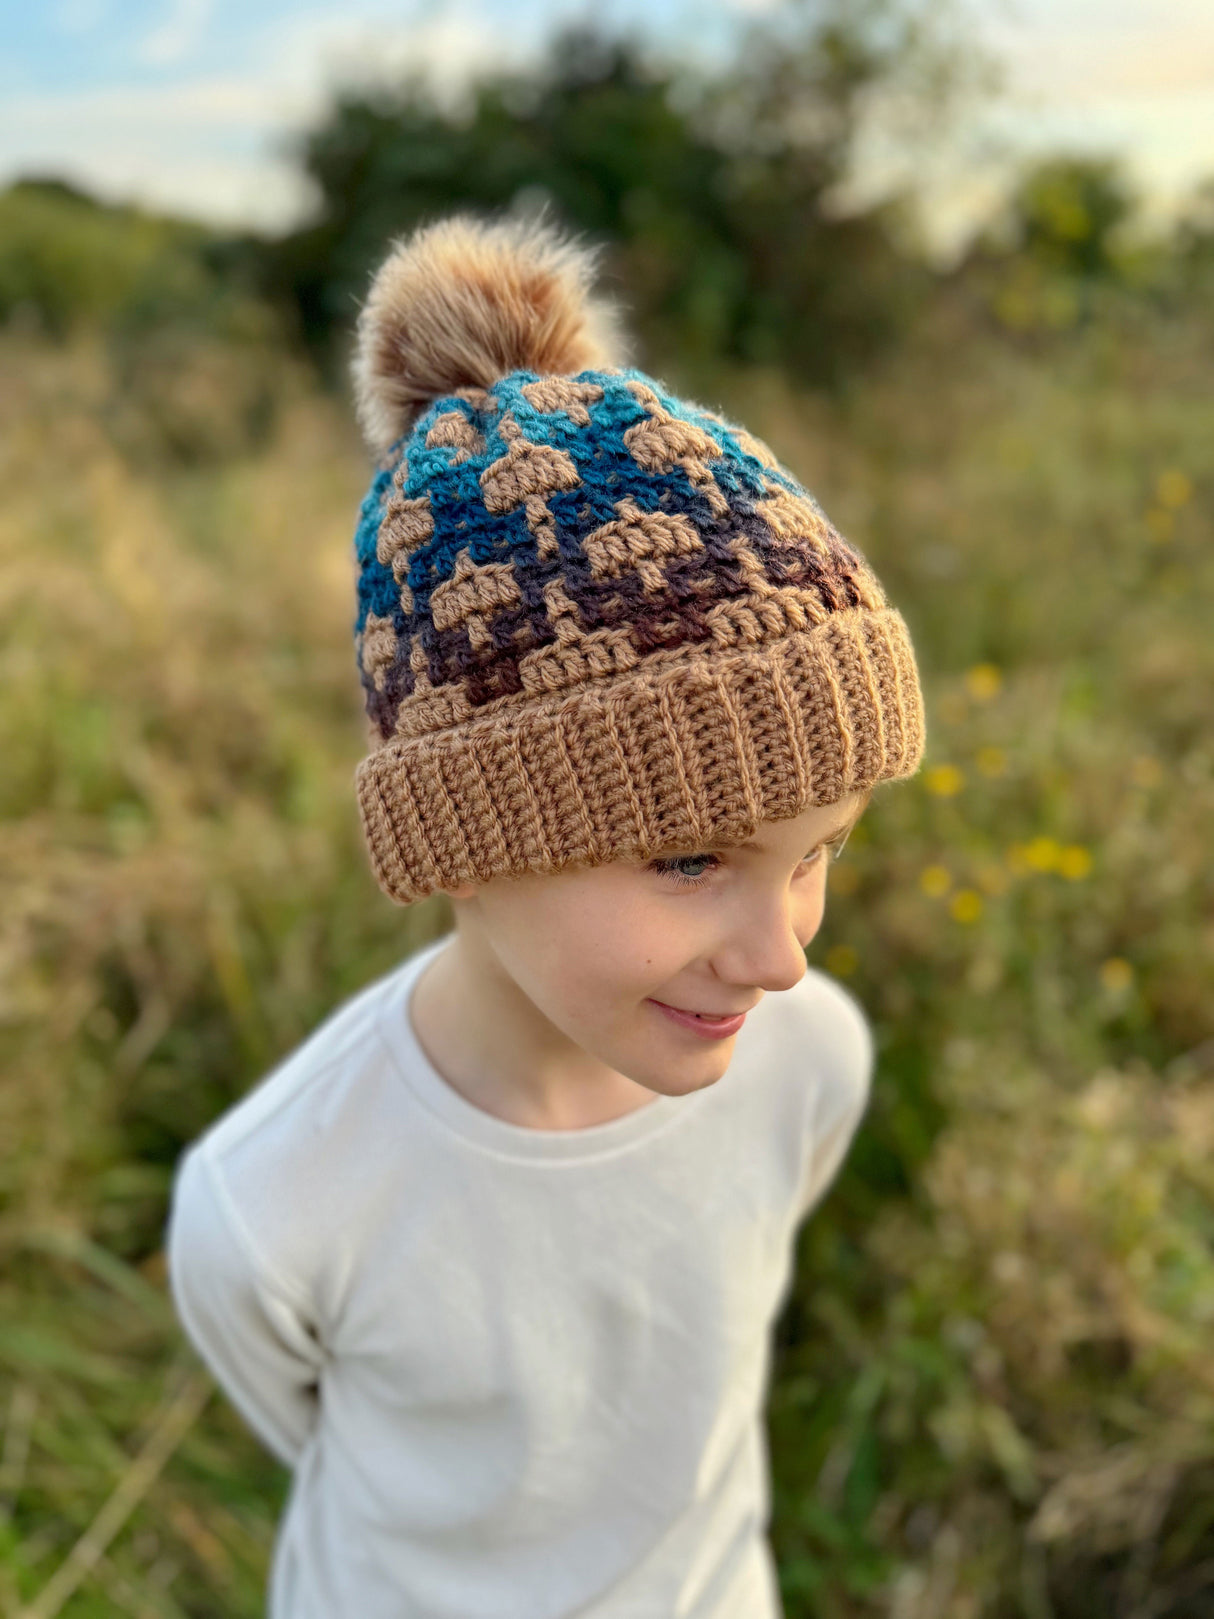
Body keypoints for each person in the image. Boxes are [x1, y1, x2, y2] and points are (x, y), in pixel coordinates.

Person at [165, 208, 926, 1619]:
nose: (782, 958)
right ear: (468, 843)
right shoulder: (276, 1204)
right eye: (690, 859)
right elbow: (309, 1431)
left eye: (818, 851)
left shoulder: (808, 1064)